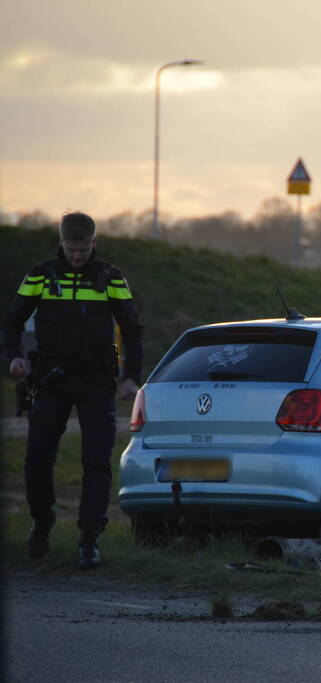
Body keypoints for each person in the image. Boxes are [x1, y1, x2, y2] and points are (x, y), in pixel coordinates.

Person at [3, 212, 143, 569]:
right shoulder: (41, 274)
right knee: (37, 460)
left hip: (97, 382)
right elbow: (13, 319)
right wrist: (14, 358)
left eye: (83, 249)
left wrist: (131, 377)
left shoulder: (111, 277)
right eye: (71, 248)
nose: (77, 255)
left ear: (94, 243)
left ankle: (89, 539)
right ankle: (42, 522)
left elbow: (131, 328)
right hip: (51, 380)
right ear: (61, 243)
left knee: (96, 461)